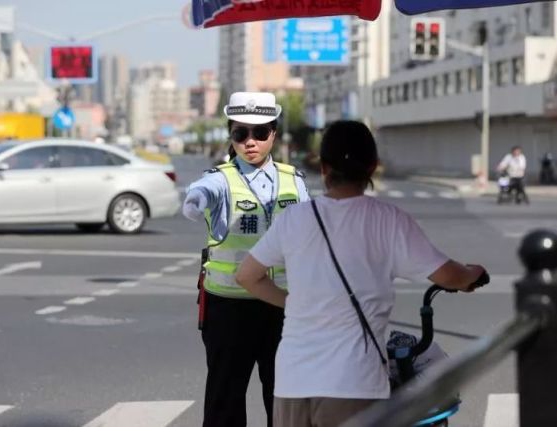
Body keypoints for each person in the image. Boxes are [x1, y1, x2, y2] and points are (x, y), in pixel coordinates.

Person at [235, 120, 487, 427]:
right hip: (354, 384)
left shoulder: (294, 218)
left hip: (293, 383)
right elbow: (450, 276)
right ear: (373, 168)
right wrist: (473, 273)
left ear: (324, 168)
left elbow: (247, 276)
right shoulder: (388, 220)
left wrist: (294, 303)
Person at [182, 91, 310, 427]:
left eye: (259, 133)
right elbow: (203, 190)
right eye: (240, 134)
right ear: (231, 135)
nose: (249, 142)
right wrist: (195, 199)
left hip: (282, 307)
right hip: (229, 310)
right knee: (225, 401)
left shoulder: (295, 182)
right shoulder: (221, 179)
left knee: (286, 401)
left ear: (274, 134)